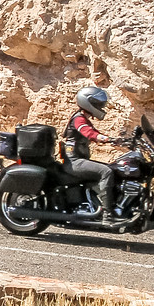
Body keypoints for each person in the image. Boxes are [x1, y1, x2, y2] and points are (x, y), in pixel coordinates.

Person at [62, 84, 140, 220]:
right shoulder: (79, 119)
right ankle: (107, 213)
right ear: (88, 103)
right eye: (97, 104)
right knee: (106, 171)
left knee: (113, 169)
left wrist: (117, 140)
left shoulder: (83, 118)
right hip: (74, 162)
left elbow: (95, 133)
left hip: (78, 160)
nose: (100, 107)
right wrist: (106, 139)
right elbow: (90, 133)